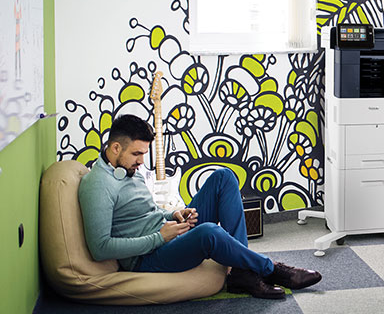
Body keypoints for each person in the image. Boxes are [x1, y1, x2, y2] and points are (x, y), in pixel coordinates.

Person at [78, 114, 322, 300]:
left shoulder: (127, 168)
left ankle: (242, 273)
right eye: (137, 154)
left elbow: (145, 211)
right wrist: (158, 238)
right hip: (149, 256)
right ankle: (272, 269)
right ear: (116, 148)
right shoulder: (98, 185)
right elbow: (100, 248)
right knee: (209, 232)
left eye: (143, 153)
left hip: (166, 230)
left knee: (224, 176)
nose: (142, 161)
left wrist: (172, 214)